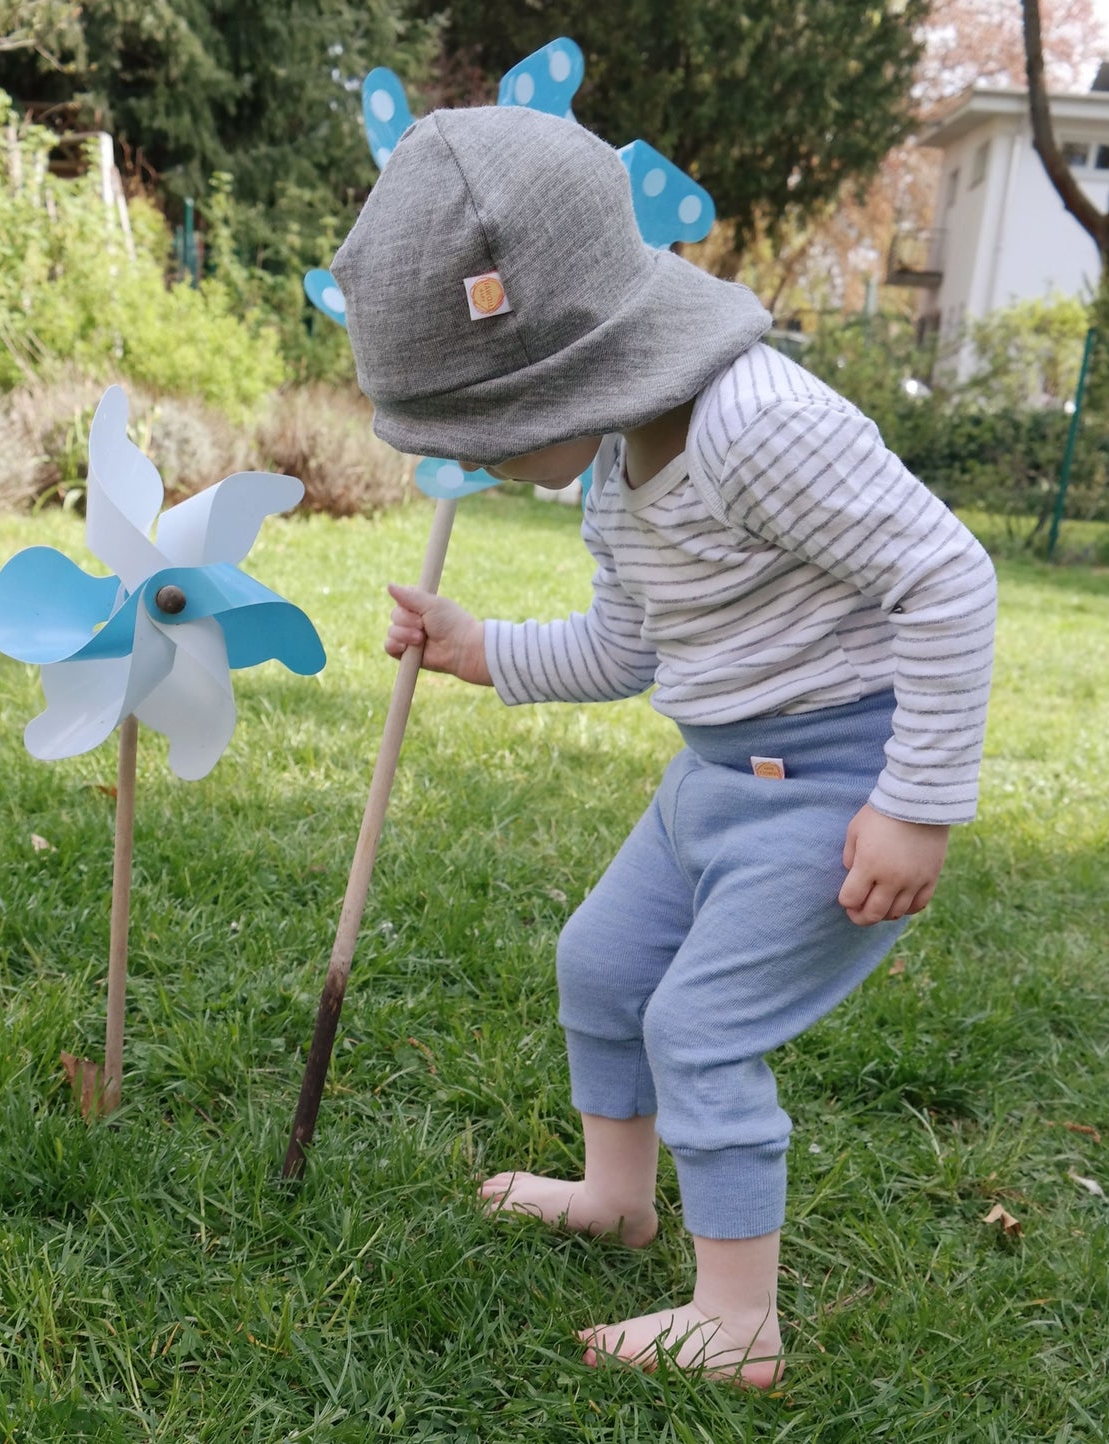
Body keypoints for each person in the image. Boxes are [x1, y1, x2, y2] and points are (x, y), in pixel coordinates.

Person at [330, 105, 997, 1385]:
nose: (477, 464)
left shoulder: (758, 425)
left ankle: (738, 1319)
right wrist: (482, 650)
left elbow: (945, 578)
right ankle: (615, 1194)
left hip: (836, 788)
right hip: (712, 777)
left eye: (483, 433)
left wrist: (916, 803)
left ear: (569, 370)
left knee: (697, 1025)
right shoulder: (615, 467)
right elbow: (624, 649)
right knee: (600, 964)